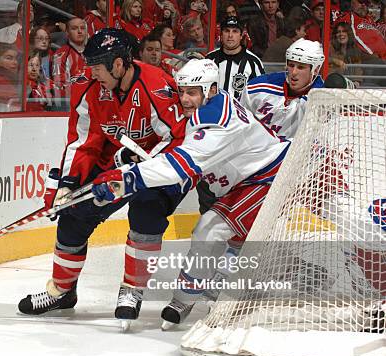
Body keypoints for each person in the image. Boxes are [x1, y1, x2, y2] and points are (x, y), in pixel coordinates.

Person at [89, 59, 290, 329]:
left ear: (210, 90)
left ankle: (188, 298)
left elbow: (182, 165)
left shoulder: (215, 120)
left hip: (266, 177)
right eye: (181, 91)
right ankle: (203, 292)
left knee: (210, 229)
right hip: (248, 180)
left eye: (192, 92)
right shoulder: (216, 104)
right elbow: (180, 147)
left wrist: (128, 179)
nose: (184, 99)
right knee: (221, 237)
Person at [17, 29, 187, 329]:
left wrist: (136, 168)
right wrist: (68, 184)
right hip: (115, 160)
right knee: (73, 214)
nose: (92, 73)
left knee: (145, 211)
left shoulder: (156, 84)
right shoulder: (89, 86)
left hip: (162, 164)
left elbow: (177, 137)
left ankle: (132, 289)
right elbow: (83, 141)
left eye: (98, 66)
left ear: (119, 64)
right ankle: (62, 291)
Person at [242, 39, 325, 141]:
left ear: (315, 70)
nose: (294, 72)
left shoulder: (322, 101)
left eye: (301, 67)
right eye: (291, 65)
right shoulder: (259, 87)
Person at [206, 17, 264, 100]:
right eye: (226, 31)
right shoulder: (210, 59)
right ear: (221, 35)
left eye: (235, 31)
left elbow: (261, 95)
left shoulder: (253, 62)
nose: (230, 35)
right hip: (214, 111)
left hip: (242, 112)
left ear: (241, 35)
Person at [51, 17, 87, 110]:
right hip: (72, 107)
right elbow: (60, 87)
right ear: (67, 32)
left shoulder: (96, 53)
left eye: (82, 28)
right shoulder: (60, 55)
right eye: (74, 28)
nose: (80, 31)